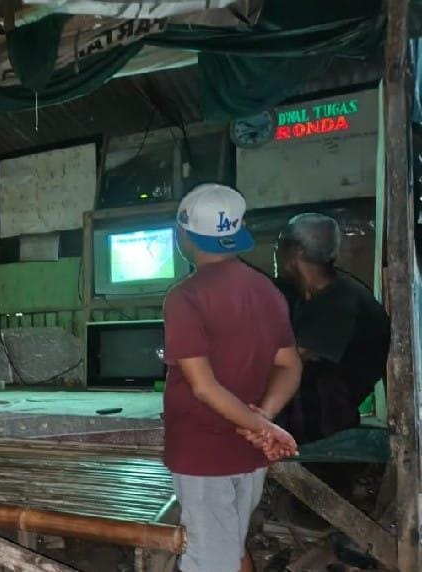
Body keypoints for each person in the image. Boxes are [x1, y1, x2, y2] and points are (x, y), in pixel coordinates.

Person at [163, 183, 303, 572]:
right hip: (249, 451)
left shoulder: (185, 297)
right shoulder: (266, 290)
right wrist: (264, 419)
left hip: (202, 452)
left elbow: (203, 387)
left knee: (210, 561)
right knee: (232, 548)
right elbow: (289, 365)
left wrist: (262, 427)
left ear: (184, 235)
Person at [273, 213, 391, 445]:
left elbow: (289, 358)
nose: (275, 252)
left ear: (296, 251)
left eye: (279, 244)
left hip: (324, 427)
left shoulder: (342, 301)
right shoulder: (300, 292)